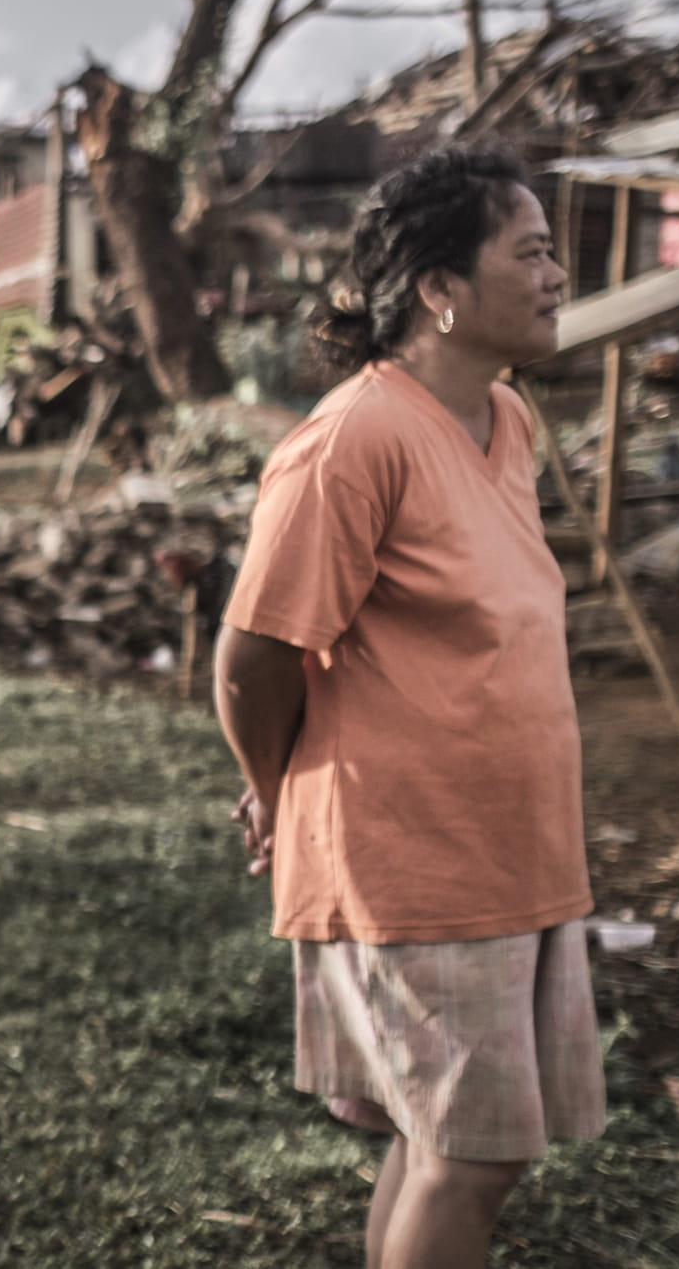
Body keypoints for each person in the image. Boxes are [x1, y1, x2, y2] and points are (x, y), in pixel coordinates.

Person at [216, 145, 599, 1269]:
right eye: (530, 251)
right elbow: (256, 652)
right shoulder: (355, 437)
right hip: (412, 857)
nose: (558, 274)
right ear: (441, 286)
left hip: (511, 850)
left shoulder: (507, 421)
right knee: (469, 1155)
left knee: (451, 1143)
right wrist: (276, 786)